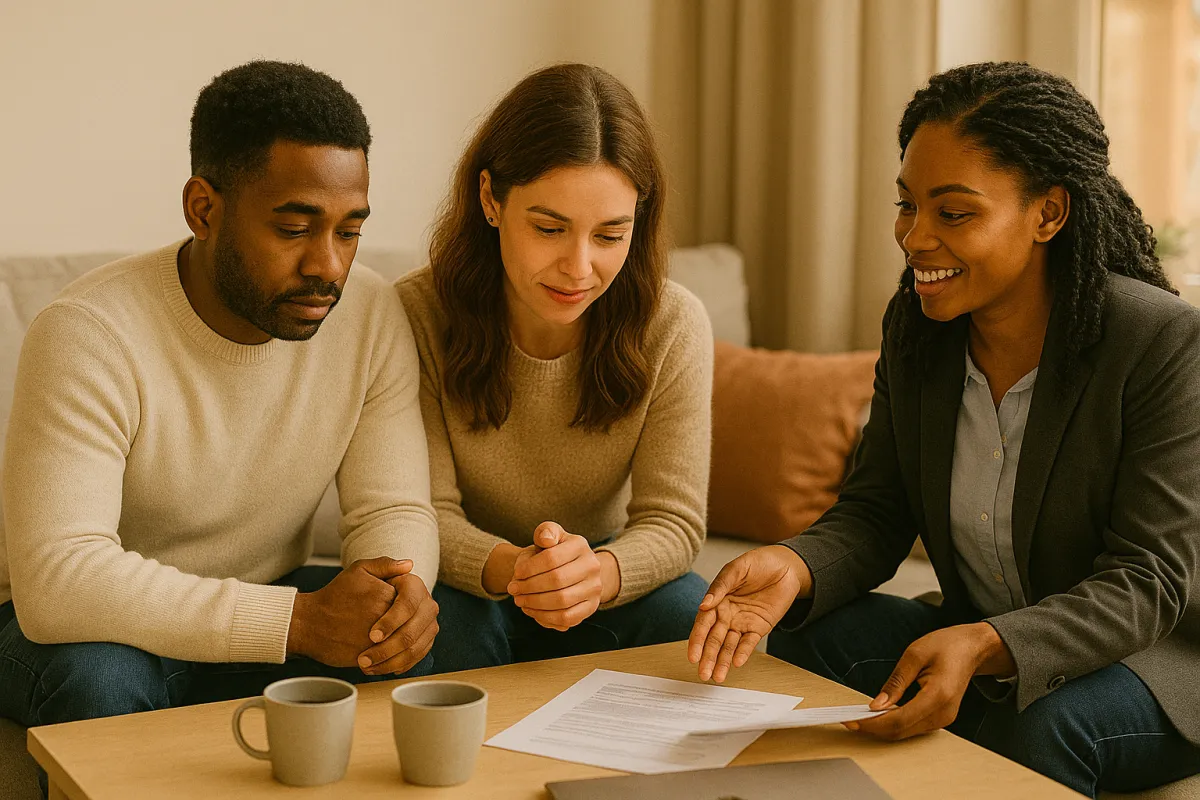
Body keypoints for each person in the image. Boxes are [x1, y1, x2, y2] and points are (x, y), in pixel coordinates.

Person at [689, 62, 1200, 798]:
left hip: (1152, 662)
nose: (915, 237)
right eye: (907, 205)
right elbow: (877, 511)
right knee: (808, 636)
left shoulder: (1158, 342)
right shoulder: (919, 329)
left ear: (1047, 214)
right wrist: (795, 566)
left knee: (1042, 721)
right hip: (975, 629)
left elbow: (1148, 581)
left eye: (953, 213)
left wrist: (991, 645)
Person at [0, 61, 472, 743]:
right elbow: (59, 581)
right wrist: (300, 622)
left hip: (271, 597)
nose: (329, 266)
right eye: (294, 228)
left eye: (348, 230)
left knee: (420, 637)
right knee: (99, 682)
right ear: (203, 209)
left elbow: (392, 507)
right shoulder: (87, 332)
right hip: (90, 630)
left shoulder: (370, 312)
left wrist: (394, 598)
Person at [399, 63, 713, 671]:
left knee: (690, 617)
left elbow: (672, 522)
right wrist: (522, 571)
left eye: (610, 235)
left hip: (597, 574)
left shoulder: (673, 323)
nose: (578, 267)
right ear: (491, 199)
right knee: (436, 632)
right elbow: (423, 511)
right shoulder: (416, 313)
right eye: (549, 228)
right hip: (471, 583)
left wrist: (595, 575)